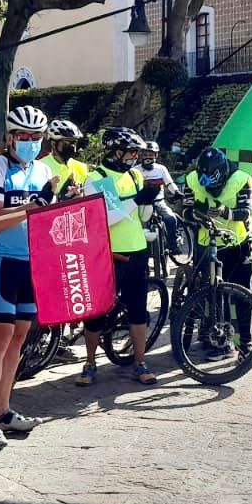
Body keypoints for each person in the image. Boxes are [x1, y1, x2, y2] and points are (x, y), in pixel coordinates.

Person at [0, 105, 57, 451]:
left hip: (31, 262)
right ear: (10, 137)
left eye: (36, 137)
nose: (30, 142)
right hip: (1, 260)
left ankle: (4, 409)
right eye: (23, 137)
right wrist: (31, 207)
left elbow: (46, 215)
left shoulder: (44, 170)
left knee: (21, 336)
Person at [76, 127, 162, 387]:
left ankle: (140, 361)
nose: (135, 157)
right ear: (115, 152)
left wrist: (149, 201)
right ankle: (90, 363)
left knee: (138, 311)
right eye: (131, 152)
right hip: (108, 254)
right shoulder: (97, 178)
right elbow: (108, 219)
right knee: (97, 313)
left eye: (137, 152)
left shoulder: (135, 176)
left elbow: (140, 216)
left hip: (136, 251)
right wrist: (138, 200)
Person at [185, 147, 252, 356]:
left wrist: (226, 212)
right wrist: (198, 214)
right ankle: (221, 343)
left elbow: (245, 212)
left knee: (244, 296)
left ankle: (246, 343)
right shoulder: (191, 179)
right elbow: (186, 210)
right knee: (215, 297)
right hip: (209, 243)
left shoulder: (242, 179)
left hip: (239, 243)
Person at [39, 120, 89, 198]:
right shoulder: (40, 167)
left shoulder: (81, 167)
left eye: (74, 143)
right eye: (67, 142)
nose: (72, 146)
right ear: (53, 144)